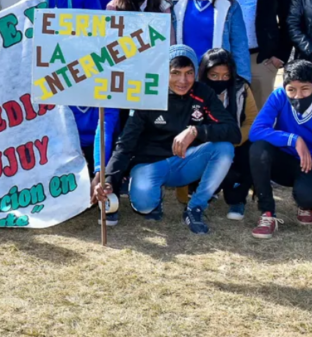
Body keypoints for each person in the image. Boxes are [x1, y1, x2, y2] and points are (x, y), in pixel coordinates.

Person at [93, 45, 238, 234]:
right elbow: (125, 145)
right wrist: (109, 179)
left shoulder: (203, 93)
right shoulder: (148, 94)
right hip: (149, 165)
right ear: (164, 72)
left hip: (185, 161)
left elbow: (233, 131)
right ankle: (154, 199)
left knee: (224, 148)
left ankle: (195, 208)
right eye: (175, 73)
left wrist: (195, 131)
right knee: (144, 205)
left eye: (189, 73)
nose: (182, 80)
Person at [247, 60, 312, 241]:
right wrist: (293, 139)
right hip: (285, 160)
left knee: (307, 196)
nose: (298, 95)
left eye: (305, 89)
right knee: (258, 148)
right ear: (284, 87)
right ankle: (267, 213)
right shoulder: (279, 96)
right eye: (291, 90)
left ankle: (306, 204)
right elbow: (256, 131)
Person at [198, 48, 259, 221]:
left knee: (252, 149)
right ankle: (206, 191)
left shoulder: (241, 87)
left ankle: (237, 198)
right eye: (214, 75)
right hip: (204, 144)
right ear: (204, 73)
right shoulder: (196, 89)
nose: (221, 80)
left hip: (236, 143)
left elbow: (252, 120)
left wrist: (234, 140)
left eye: (226, 75)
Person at [172, 0, 250, 82]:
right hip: (185, 75)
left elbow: (239, 45)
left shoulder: (230, 6)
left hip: (216, 74)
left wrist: (242, 78)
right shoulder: (176, 5)